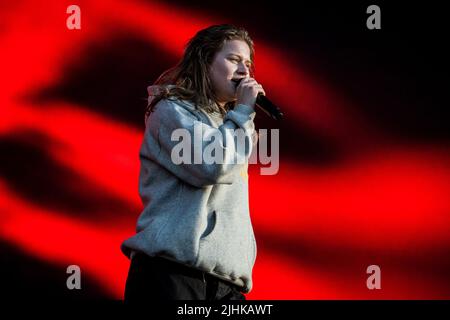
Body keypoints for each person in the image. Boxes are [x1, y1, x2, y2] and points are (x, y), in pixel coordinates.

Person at [121, 24, 264, 302]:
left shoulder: (232, 125)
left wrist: (241, 119)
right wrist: (244, 111)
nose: (245, 71)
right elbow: (212, 166)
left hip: (226, 285)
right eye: (234, 59)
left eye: (248, 63)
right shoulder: (170, 111)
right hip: (173, 276)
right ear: (205, 62)